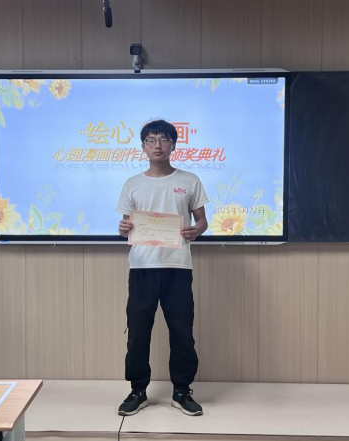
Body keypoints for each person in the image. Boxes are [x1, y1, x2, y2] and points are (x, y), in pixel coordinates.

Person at [116, 119, 209, 417]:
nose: (158, 145)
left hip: (178, 266)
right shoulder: (133, 184)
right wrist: (123, 228)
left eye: (164, 139)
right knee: (138, 330)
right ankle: (137, 390)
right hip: (142, 267)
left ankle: (182, 391)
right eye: (151, 140)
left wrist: (196, 230)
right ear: (143, 146)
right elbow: (125, 226)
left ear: (173, 145)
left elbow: (202, 221)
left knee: (182, 330)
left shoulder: (190, 180)